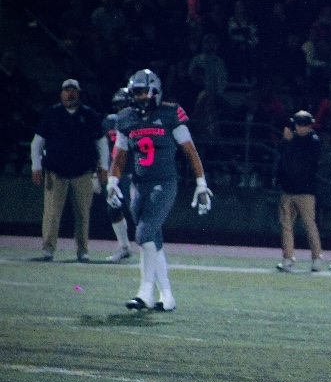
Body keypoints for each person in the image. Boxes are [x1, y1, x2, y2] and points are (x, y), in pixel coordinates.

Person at [106, 69, 213, 311]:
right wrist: (112, 181)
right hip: (139, 185)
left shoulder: (170, 114)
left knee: (143, 234)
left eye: (145, 92)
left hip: (164, 183)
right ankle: (167, 296)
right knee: (154, 240)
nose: (141, 97)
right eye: (137, 92)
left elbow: (190, 151)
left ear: (155, 92)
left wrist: (201, 183)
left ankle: (144, 293)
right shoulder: (126, 118)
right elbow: (119, 156)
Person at [31, 79, 109, 262]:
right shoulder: (53, 113)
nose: (70, 94)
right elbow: (37, 142)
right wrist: (36, 167)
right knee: (52, 213)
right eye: (67, 91)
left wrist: (103, 166)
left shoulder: (89, 115)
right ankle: (48, 249)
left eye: (73, 91)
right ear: (61, 94)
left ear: (79, 94)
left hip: (82, 171)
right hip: (55, 172)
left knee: (83, 213)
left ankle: (83, 250)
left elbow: (101, 142)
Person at [276, 110, 324, 273]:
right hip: (288, 189)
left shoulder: (313, 141)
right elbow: (283, 160)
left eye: (305, 125)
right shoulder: (289, 140)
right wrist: (287, 141)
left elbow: (305, 163)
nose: (302, 128)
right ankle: (288, 258)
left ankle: (316, 258)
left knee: (310, 225)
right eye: (299, 125)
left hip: (305, 191)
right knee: (286, 226)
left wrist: (289, 142)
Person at [103, 87, 133, 263]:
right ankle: (124, 246)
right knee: (113, 208)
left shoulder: (136, 121)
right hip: (116, 172)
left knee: (137, 210)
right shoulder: (109, 122)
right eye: (119, 104)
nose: (121, 107)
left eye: (125, 103)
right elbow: (102, 147)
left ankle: (150, 248)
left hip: (133, 171)